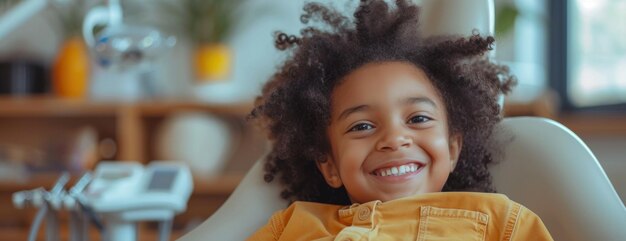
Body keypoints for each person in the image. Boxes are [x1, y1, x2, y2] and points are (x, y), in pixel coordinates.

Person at [247, 0, 553, 240]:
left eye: (418, 118)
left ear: (452, 149)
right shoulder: (292, 226)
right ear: (329, 165)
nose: (394, 139)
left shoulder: (501, 222)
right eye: (362, 126)